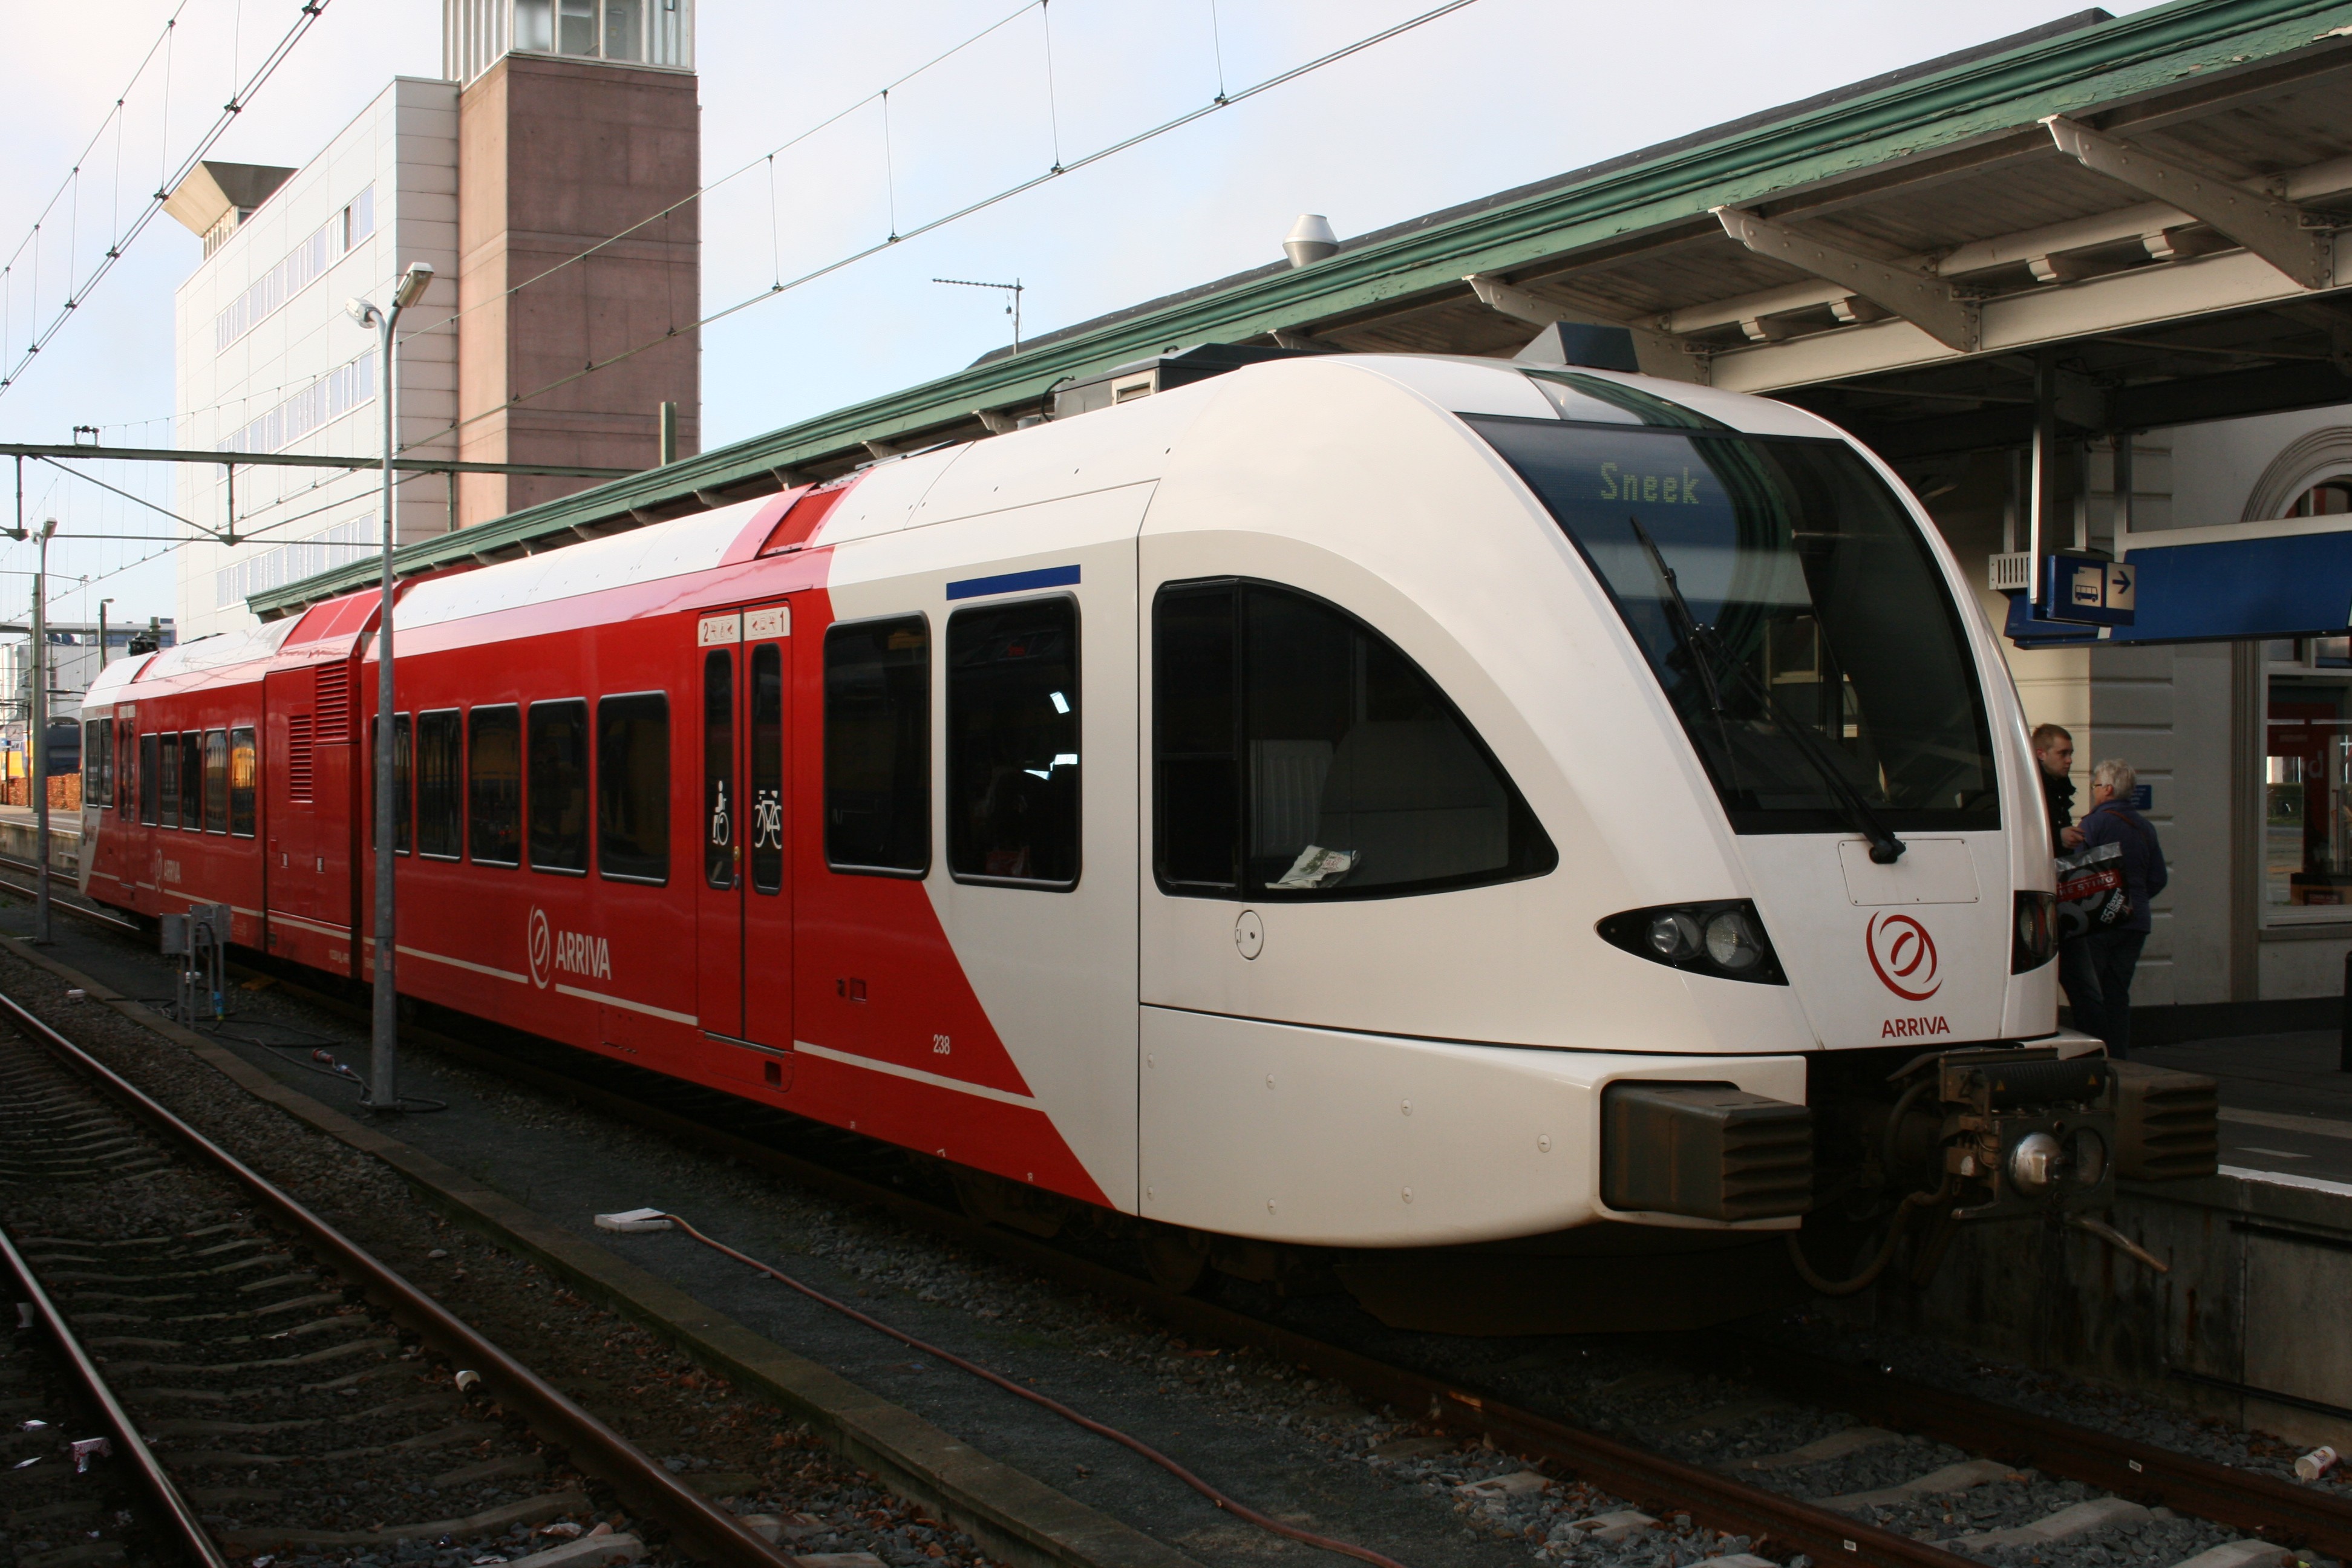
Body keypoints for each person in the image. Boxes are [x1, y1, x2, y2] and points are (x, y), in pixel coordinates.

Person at [2070, 757, 2168, 1059]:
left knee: (2092, 994)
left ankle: (2096, 1056)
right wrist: (2132, 900)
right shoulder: (2145, 827)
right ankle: (2120, 1055)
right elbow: (2159, 878)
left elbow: (2076, 875)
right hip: (2135, 922)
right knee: (2118, 993)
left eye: (2096, 785)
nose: (2094, 790)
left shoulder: (2093, 824)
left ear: (2108, 789)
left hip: (2099, 922)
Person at [2033, 723, 2083, 850]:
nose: (2069, 760)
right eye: (2062, 753)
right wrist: (2058, 836)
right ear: (2041, 754)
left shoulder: (2061, 786)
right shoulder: (2030, 788)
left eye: (2070, 754)